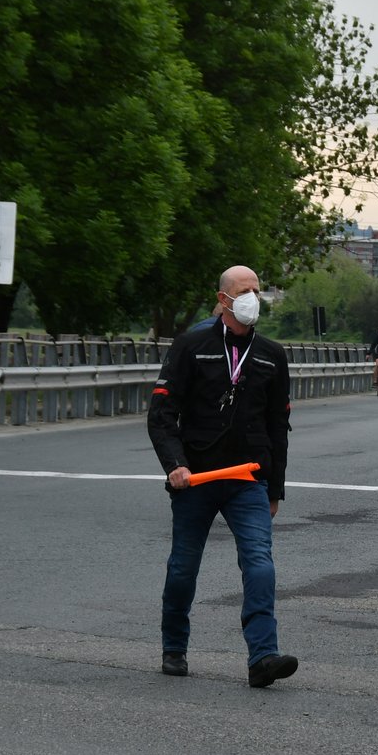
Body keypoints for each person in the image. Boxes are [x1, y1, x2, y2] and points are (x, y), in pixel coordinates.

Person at [147, 265, 298, 688]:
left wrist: (276, 489)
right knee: (183, 568)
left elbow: (278, 427)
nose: (254, 297)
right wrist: (175, 464)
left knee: (260, 564)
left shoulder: (271, 354)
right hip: (195, 478)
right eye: (245, 290)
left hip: (248, 479)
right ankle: (174, 646)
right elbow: (161, 415)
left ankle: (263, 658)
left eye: (257, 289)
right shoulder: (192, 346)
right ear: (224, 299)